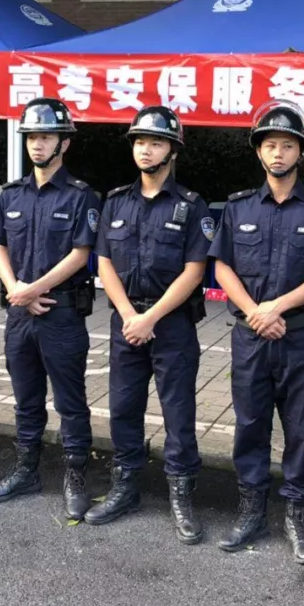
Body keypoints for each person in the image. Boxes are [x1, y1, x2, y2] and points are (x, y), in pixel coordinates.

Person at [209, 100, 304, 565]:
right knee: (249, 424)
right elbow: (222, 266)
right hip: (251, 336)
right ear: (259, 152)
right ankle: (251, 511)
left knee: (301, 428)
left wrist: (277, 307)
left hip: (300, 336)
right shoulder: (239, 207)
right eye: (270, 145)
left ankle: (297, 516)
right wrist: (255, 312)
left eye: (287, 145)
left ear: (301, 152)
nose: (278, 153)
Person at [84, 106, 211, 544]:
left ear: (172, 151)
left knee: (178, 413)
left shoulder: (191, 206)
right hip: (127, 322)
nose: (145, 150)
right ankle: (126, 486)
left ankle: (182, 493)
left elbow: (194, 271)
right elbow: (103, 261)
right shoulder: (116, 201)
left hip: (171, 325)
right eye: (140, 142)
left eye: (155, 143)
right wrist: (128, 316)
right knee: (123, 408)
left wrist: (150, 318)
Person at [0, 98, 100, 520]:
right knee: (25, 399)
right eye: (32, 136)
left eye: (46, 137)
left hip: (61, 313)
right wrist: (15, 288)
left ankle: (76, 476)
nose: (37, 144)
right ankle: (26, 470)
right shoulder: (12, 194)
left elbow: (81, 253)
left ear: (63, 143)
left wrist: (35, 288)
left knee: (71, 402)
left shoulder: (81, 196)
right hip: (20, 314)